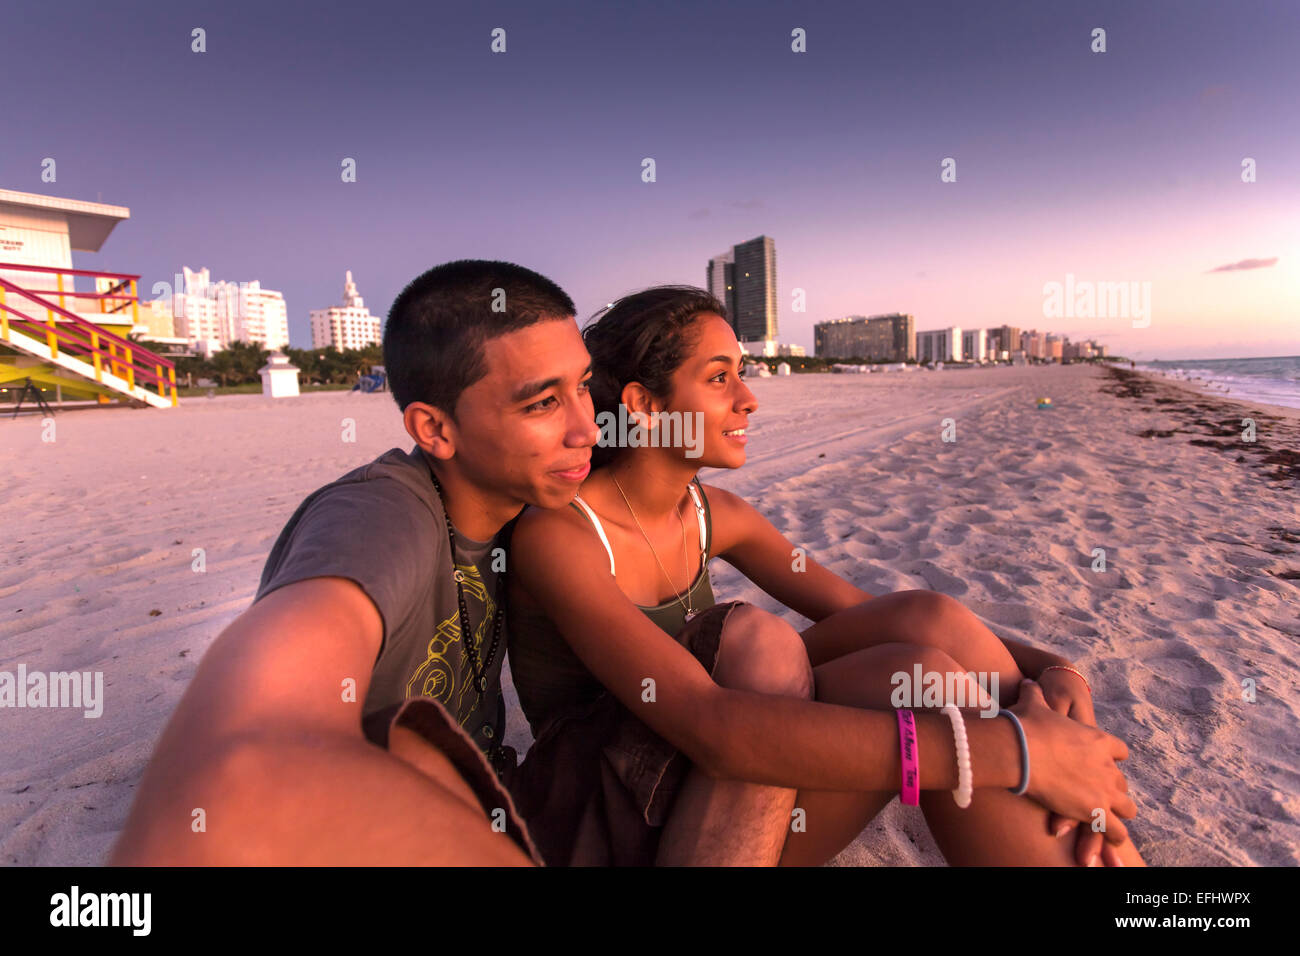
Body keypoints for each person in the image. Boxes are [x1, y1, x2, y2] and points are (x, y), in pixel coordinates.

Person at [506, 285, 1146, 867]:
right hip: (617, 815)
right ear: (644, 405)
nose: (748, 399)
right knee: (774, 643)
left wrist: (1055, 668)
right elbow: (709, 726)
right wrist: (1013, 751)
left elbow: (871, 613)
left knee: (925, 634)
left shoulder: (713, 515)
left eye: (744, 374)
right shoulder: (559, 535)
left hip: (726, 779)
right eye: (720, 377)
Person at [109, 260, 593, 865]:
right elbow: (241, 760)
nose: (587, 428)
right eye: (544, 403)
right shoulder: (380, 517)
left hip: (503, 791)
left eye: (584, 386)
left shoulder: (529, 500)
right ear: (436, 429)